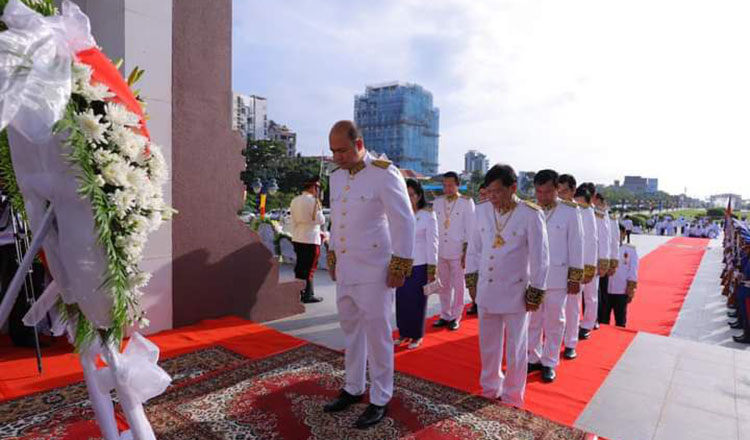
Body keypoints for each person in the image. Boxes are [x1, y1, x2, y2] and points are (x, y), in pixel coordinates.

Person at [323, 120, 415, 429]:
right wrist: (333, 255)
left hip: (376, 270)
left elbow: (404, 222)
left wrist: (400, 266)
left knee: (378, 335)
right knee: (351, 330)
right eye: (333, 150)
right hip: (347, 267)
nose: (337, 156)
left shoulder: (383, 173)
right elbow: (337, 220)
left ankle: (380, 397)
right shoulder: (335, 178)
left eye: (343, 150)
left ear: (359, 144)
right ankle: (352, 387)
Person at [465, 164, 549, 407]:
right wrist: (471, 280)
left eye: (498, 192)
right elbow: (474, 249)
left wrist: (536, 290)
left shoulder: (530, 213)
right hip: (487, 290)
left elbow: (540, 257)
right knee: (488, 345)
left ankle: (513, 395)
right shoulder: (481, 211)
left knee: (516, 348)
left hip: (516, 292)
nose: (492, 197)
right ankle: (490, 387)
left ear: (513, 188)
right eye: (489, 192)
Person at [527, 171, 583, 382]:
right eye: (539, 191)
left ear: (557, 189)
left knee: (554, 320)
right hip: (533, 275)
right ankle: (533, 356)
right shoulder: (530, 210)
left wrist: (575, 277)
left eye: (548, 191)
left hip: (557, 275)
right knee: (533, 319)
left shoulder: (569, 211)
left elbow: (576, 244)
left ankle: (549, 361)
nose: (542, 196)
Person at [394, 179, 438, 349]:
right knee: (402, 300)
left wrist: (432, 268)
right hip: (401, 263)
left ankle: (416, 335)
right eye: (406, 194)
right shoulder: (401, 214)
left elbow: (432, 243)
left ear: (419, 196)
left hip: (420, 264)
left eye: (412, 195)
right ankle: (403, 333)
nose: (409, 198)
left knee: (417, 301)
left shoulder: (427, 215)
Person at [432, 171, 475, 330]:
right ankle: (444, 314)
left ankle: (456, 316)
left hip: (458, 250)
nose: (447, 188)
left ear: (457, 185)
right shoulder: (437, 202)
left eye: (450, 185)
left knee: (458, 285)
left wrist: (467, 251)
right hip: (441, 250)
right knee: (443, 285)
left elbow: (470, 229)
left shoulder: (466, 202)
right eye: (445, 185)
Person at [560, 179, 597, 357]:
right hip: (553, 267)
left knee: (572, 307)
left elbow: (590, 241)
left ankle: (570, 342)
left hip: (574, 266)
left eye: (564, 191)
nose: (560, 194)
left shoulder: (581, 210)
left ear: (573, 191)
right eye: (557, 190)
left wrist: (588, 268)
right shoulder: (548, 208)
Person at [290, 176, 326, 303]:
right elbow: (321, 220)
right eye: (317, 188)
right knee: (310, 267)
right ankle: (308, 294)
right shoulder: (314, 201)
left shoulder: (295, 200)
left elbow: (292, 221)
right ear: (313, 187)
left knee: (300, 266)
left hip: (298, 236)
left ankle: (298, 292)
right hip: (310, 238)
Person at [602, 224, 639, 327]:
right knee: (603, 320)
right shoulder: (605, 248)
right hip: (605, 290)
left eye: (619, 233)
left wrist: (631, 289)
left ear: (623, 234)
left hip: (621, 291)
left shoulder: (630, 250)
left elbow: (633, 270)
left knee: (620, 321)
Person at [468, 182, 489, 315]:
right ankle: (475, 304)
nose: (482, 197)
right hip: (476, 259)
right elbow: (472, 242)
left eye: (485, 194)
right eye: (480, 194)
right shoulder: (477, 211)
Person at [592, 192, 612, 325]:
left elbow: (606, 239)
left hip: (596, 259)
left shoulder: (599, 215)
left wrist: (605, 262)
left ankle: (595, 319)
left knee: (594, 293)